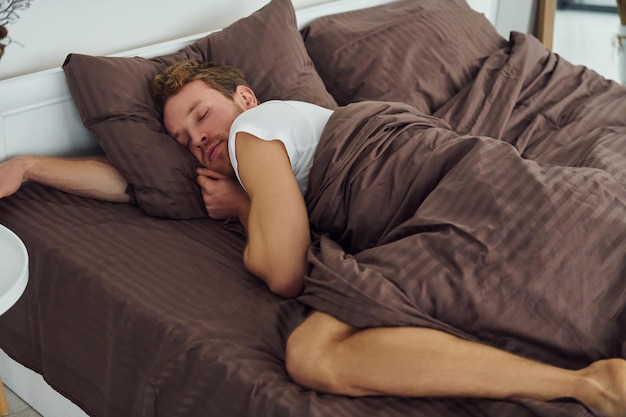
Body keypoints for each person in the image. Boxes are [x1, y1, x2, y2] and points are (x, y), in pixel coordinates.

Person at [0, 60, 624, 416]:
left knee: (313, 354)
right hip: (474, 173)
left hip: (443, 187)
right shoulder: (261, 148)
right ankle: (585, 377)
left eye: (202, 116)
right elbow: (136, 182)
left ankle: (583, 383)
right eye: (185, 141)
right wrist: (28, 165)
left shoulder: (253, 132)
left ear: (244, 96)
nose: (199, 141)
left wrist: (246, 209)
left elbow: (284, 272)